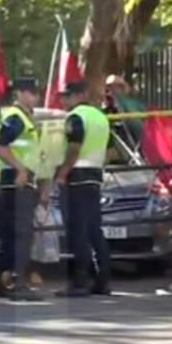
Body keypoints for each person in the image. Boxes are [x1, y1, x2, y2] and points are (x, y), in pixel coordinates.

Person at [52, 82, 112, 297]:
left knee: (77, 230)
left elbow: (74, 148)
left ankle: (79, 281)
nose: (63, 101)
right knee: (94, 229)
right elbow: (111, 150)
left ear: (77, 96)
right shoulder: (100, 117)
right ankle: (102, 280)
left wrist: (61, 174)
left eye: (65, 97)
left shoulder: (76, 117)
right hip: (94, 175)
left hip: (77, 176)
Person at [0, 78, 43, 301]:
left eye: (36, 93)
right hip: (18, 179)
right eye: (30, 93)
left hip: (18, 179)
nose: (35, 97)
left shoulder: (24, 117)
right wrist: (21, 169)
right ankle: (17, 283)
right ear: (19, 94)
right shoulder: (16, 117)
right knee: (21, 234)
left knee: (10, 233)